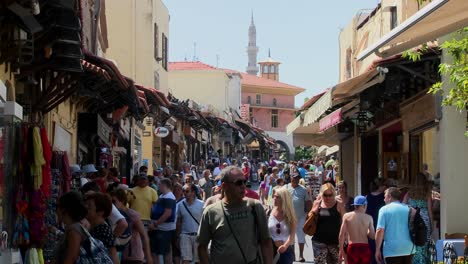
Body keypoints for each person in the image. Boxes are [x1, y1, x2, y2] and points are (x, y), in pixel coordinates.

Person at [197, 166, 273, 264]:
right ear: (224, 186)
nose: (243, 186)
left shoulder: (255, 206)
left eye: (244, 181)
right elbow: (202, 247)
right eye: (238, 183)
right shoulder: (210, 212)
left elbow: (266, 242)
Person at [111, 189, 153, 264]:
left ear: (122, 201)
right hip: (119, 255)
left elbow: (144, 235)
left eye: (114, 201)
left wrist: (148, 256)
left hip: (133, 256)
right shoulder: (111, 215)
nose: (112, 205)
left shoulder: (132, 215)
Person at [375, 187, 414, 264]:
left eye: (384, 196)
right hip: (409, 249)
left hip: (392, 250)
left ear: (389, 196)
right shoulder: (408, 208)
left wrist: (377, 249)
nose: (384, 199)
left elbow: (380, 230)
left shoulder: (384, 210)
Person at [311, 183, 346, 264]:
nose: (327, 197)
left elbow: (345, 220)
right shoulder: (318, 203)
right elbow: (309, 218)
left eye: (330, 195)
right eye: (325, 195)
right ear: (321, 194)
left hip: (335, 242)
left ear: (333, 193)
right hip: (319, 241)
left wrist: (346, 236)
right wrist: (315, 210)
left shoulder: (339, 204)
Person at [403, 173, 433, 264]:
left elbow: (402, 206)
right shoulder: (427, 193)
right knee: (424, 243)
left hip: (412, 219)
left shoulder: (409, 193)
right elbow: (430, 211)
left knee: (414, 242)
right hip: (425, 220)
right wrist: (431, 225)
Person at [339, 196, 375, 264]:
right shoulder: (369, 218)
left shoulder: (347, 216)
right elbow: (372, 236)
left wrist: (342, 251)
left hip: (352, 248)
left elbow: (341, 235)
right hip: (364, 248)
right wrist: (367, 232)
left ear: (355, 206)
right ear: (364, 205)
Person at [84, 192, 119, 263]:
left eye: (89, 206)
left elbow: (113, 255)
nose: (86, 207)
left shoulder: (103, 231)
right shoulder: (93, 227)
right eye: (86, 204)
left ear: (100, 212)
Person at [55, 191, 89, 264]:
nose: (56, 210)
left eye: (57, 206)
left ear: (64, 209)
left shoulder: (74, 231)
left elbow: (71, 258)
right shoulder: (72, 228)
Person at [149, 178, 177, 264]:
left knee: (166, 252)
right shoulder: (162, 196)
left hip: (164, 229)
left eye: (159, 184)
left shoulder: (169, 197)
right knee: (155, 251)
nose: (158, 186)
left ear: (164, 185)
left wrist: (156, 224)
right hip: (158, 229)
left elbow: (167, 213)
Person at [286, 173, 312, 262]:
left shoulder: (303, 189)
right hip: (289, 217)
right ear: (290, 178)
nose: (295, 180)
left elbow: (308, 202)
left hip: (301, 216)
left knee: (301, 236)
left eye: (297, 178)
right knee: (290, 237)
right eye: (294, 178)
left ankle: (301, 255)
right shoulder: (286, 188)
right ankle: (292, 255)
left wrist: (309, 215)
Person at [177, 183, 204, 264]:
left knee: (198, 260)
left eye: (187, 191)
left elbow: (205, 221)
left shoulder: (201, 204)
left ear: (193, 192)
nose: (184, 193)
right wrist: (178, 236)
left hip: (198, 236)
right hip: (185, 235)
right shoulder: (180, 205)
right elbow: (179, 221)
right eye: (183, 191)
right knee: (185, 260)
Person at [269, 186, 297, 264]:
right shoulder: (269, 212)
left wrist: (285, 246)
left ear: (284, 199)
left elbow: (292, 236)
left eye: (277, 197)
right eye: (274, 196)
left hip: (286, 251)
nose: (274, 198)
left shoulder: (290, 215)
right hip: (271, 251)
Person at [366, 178, 388, 264]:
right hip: (382, 225)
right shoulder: (384, 197)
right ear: (381, 186)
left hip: (370, 225)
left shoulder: (367, 197)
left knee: (372, 250)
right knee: (381, 249)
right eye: (385, 186)